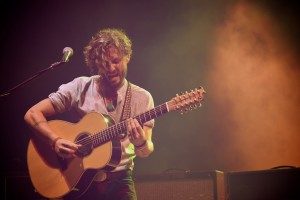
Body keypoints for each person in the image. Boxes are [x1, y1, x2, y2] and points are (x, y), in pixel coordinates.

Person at [24, 28, 155, 200]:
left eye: (116, 61)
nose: (111, 68)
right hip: (77, 180)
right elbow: (32, 113)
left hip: (120, 182)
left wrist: (141, 142)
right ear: (95, 64)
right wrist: (55, 140)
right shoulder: (80, 87)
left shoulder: (142, 98)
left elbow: (145, 151)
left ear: (127, 57)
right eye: (104, 63)